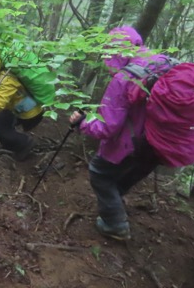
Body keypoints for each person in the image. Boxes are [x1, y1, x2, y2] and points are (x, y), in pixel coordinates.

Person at [68, 25, 170, 241]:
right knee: (129, 173)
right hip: (162, 143)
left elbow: (108, 127)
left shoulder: (124, 77)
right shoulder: (163, 62)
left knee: (99, 173)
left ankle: (116, 224)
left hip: (134, 144)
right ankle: (114, 203)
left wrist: (83, 123)